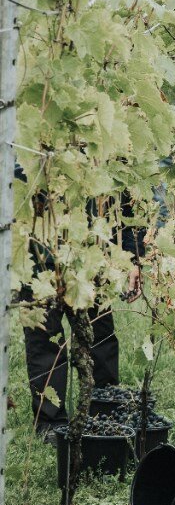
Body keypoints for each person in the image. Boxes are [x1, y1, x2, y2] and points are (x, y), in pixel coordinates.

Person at [18, 176, 148, 441]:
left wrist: (133, 257)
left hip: (94, 255)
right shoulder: (30, 144)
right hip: (42, 256)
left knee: (100, 332)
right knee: (44, 337)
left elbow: (126, 200)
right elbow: (17, 181)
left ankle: (104, 410)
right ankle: (50, 422)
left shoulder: (105, 147)